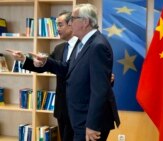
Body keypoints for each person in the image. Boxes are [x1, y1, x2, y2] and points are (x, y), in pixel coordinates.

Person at [10, 4, 120, 141]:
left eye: (72, 19)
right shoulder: (83, 44)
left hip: (89, 121)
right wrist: (45, 62)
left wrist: (92, 124)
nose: (70, 23)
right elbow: (67, 68)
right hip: (76, 115)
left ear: (85, 22)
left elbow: (100, 89)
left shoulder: (98, 45)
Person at [7, 11, 76, 141]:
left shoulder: (83, 47)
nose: (57, 29)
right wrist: (23, 59)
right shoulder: (59, 48)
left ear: (71, 25)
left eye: (60, 25)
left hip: (79, 109)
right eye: (56, 25)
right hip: (62, 109)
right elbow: (43, 66)